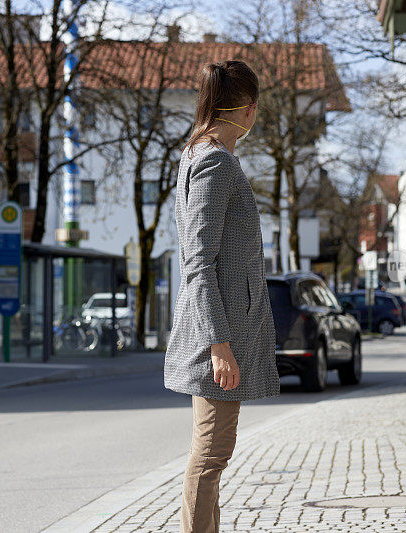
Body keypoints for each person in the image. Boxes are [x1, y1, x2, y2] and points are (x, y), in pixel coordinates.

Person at [164, 60, 280, 533]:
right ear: (248, 108)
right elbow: (197, 260)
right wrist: (219, 344)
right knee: (211, 454)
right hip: (218, 336)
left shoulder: (198, 153)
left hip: (218, 331)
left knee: (210, 453)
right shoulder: (213, 160)